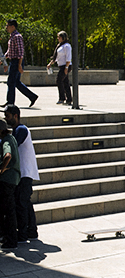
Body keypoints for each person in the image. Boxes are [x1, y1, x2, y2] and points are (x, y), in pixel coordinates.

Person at [5, 105, 39, 241]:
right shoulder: (16, 130)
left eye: (8, 116)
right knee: (25, 202)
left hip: (25, 173)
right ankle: (32, 231)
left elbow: (13, 147)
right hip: (23, 172)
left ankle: (24, 233)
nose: (6, 119)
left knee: (21, 203)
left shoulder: (21, 130)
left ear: (15, 116)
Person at [2, 19, 38, 108]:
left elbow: (21, 52)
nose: (6, 28)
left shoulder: (17, 36)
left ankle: (10, 103)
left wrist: (19, 65)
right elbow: (9, 51)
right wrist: (3, 60)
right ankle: (32, 96)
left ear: (12, 26)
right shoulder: (12, 36)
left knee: (11, 82)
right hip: (13, 61)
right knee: (16, 82)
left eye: (7, 26)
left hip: (16, 62)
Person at [0, 119, 20, 249]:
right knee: (10, 210)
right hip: (14, 179)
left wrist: (1, 169)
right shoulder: (12, 137)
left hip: (7, 180)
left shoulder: (6, 141)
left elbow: (7, 156)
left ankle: (11, 240)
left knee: (7, 211)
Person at [47, 31, 72, 105]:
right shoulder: (60, 46)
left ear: (63, 37)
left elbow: (68, 57)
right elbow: (56, 57)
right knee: (65, 82)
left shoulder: (66, 46)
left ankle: (62, 98)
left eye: (59, 37)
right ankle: (69, 98)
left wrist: (66, 67)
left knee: (59, 80)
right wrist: (50, 63)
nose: (58, 38)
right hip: (61, 65)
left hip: (66, 65)